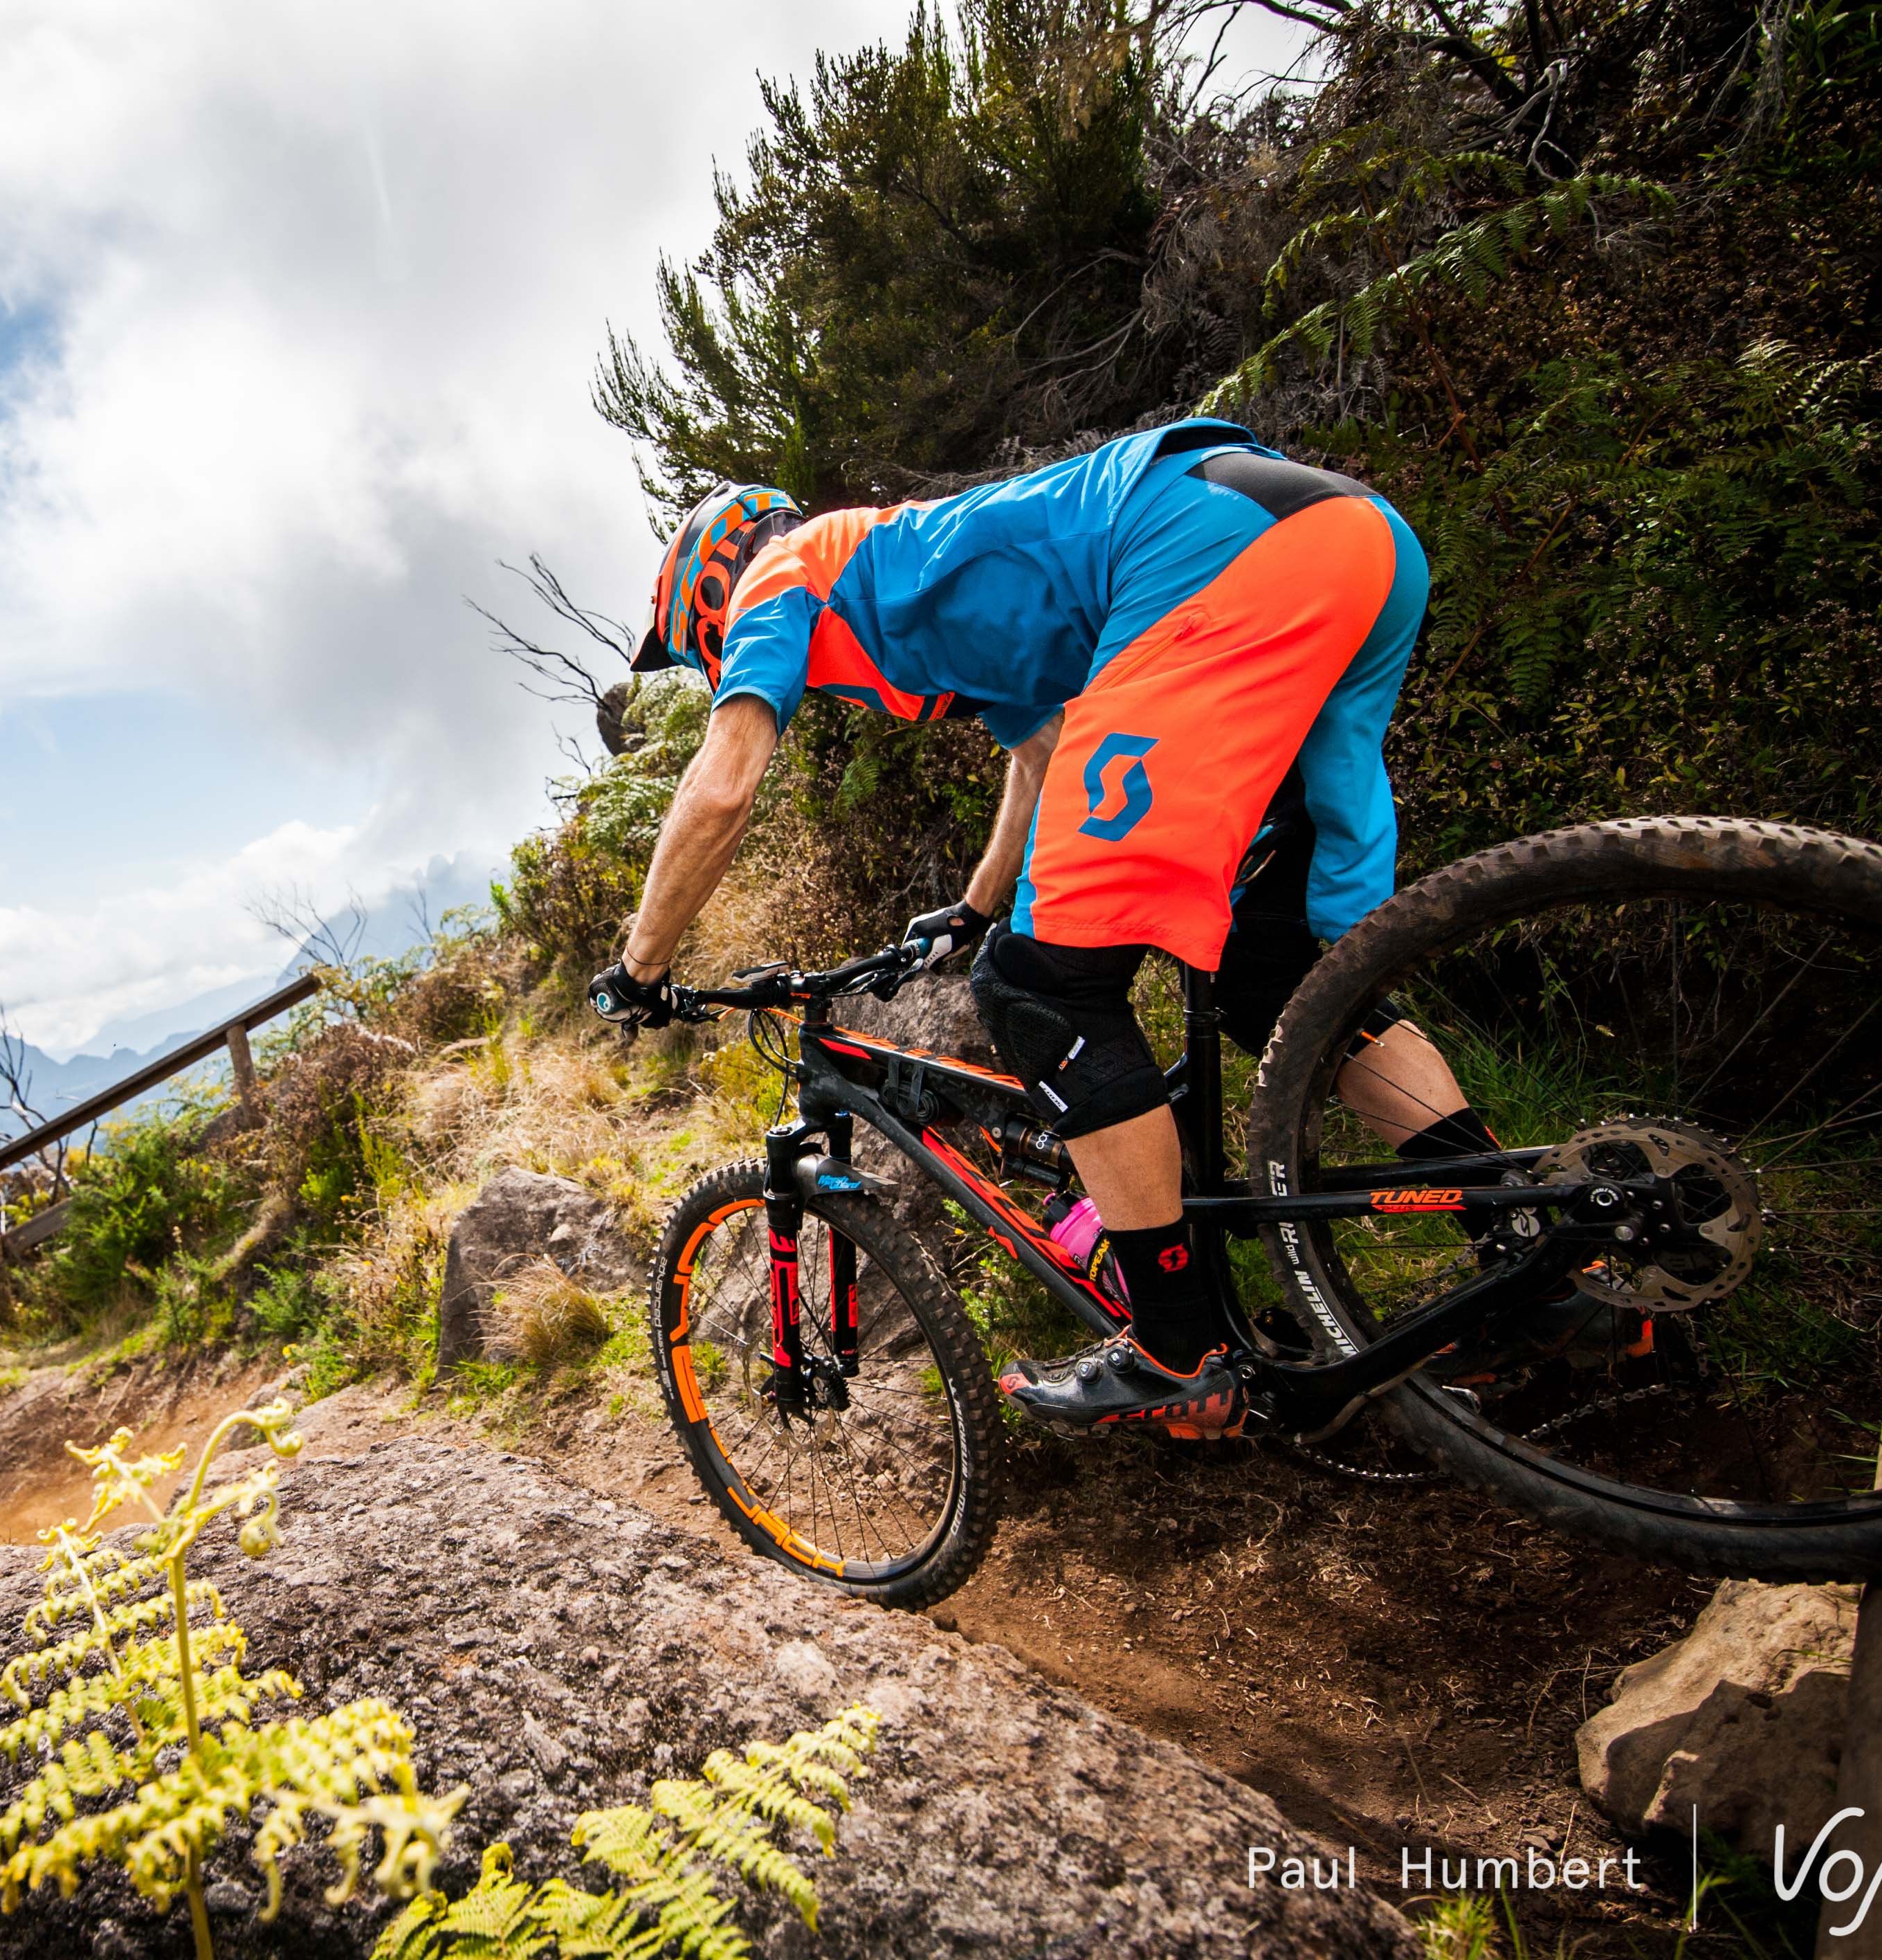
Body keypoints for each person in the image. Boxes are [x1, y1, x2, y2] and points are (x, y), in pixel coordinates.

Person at [589, 419, 1501, 1440]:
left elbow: (721, 791)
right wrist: (976, 909)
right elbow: (1045, 753)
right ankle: (1538, 1255)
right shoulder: (915, 577)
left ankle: (1176, 1350)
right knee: (1275, 978)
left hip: (1214, 557)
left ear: (709, 591)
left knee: (1041, 986)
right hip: (1349, 541)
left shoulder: (782, 572)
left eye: (696, 647)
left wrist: (641, 964)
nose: (710, 662)